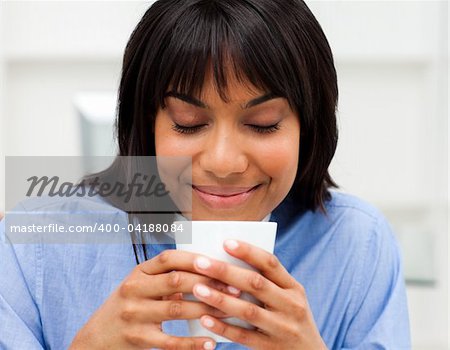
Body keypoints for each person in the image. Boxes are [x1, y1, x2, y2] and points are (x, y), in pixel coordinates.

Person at [0, 0, 411, 349]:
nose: (223, 162)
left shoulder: (357, 244)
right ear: (148, 125)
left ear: (309, 125)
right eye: (188, 122)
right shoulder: (34, 245)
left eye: (264, 123)